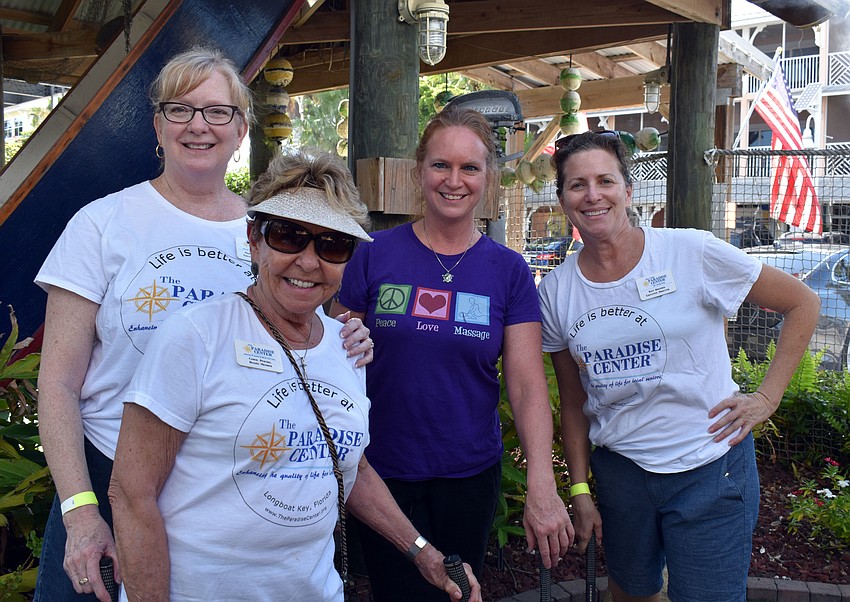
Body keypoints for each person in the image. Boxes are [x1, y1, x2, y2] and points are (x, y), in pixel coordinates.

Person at [33, 48, 372, 602]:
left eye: (217, 111)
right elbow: (59, 383)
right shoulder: (101, 224)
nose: (198, 125)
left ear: (241, 130)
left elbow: (306, 332)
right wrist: (80, 512)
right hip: (109, 470)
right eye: (180, 109)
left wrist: (351, 338)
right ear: (157, 127)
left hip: (222, 483)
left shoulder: (276, 230)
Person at [108, 150, 482, 602]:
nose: (309, 262)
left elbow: (350, 466)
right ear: (254, 239)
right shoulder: (195, 337)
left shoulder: (345, 347)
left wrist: (423, 553)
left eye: (333, 245)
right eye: (289, 236)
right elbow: (131, 493)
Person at [538, 130, 820, 602]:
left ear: (628, 191)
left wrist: (767, 398)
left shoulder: (691, 251)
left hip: (710, 467)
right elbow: (573, 403)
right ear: (563, 200)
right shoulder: (555, 293)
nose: (593, 195)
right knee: (631, 592)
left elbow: (802, 303)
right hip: (622, 473)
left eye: (605, 180)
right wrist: (581, 488)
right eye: (577, 184)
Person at [332, 105, 574, 601]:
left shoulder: (508, 271)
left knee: (459, 593)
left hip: (468, 475)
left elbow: (527, 384)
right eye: (441, 165)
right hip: (381, 473)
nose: (454, 180)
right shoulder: (373, 254)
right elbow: (335, 358)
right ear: (420, 171)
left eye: (470, 167)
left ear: (489, 178)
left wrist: (542, 481)